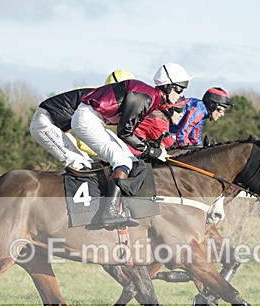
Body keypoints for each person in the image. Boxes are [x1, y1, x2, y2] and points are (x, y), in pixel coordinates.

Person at [71, 62, 192, 228]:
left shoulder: (152, 98)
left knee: (129, 160)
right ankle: (109, 212)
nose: (181, 94)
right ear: (167, 86)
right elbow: (125, 132)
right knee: (123, 161)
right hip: (87, 119)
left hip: (94, 119)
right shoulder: (145, 97)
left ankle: (119, 206)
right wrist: (153, 151)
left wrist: (152, 149)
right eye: (179, 89)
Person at [29, 69, 135, 170]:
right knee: (80, 164)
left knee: (90, 163)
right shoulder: (96, 102)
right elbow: (83, 141)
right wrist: (106, 154)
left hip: (59, 127)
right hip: (45, 123)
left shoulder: (101, 99)